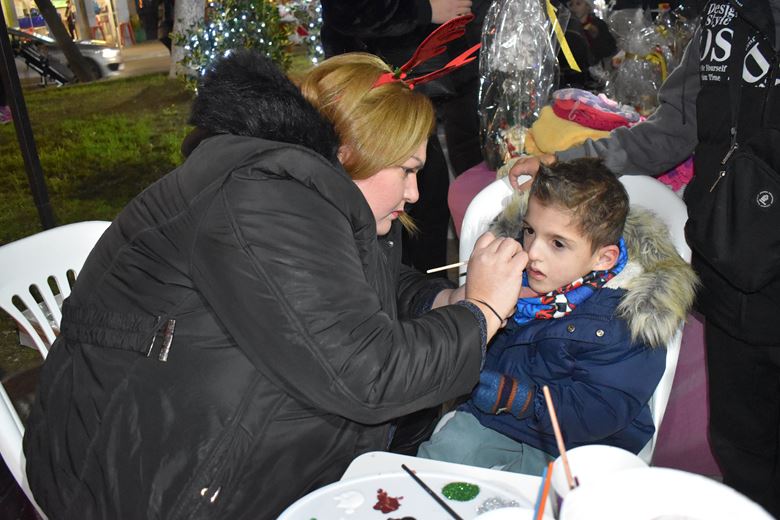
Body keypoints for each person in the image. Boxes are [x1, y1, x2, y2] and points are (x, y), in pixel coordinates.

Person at [22, 49, 527, 519]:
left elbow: (353, 287)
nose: (414, 193)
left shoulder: (311, 191)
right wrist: (480, 313)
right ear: (352, 151)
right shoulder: (266, 196)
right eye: (406, 170)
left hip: (188, 451)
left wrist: (442, 299)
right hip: (139, 483)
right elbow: (367, 376)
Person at [507, 1, 780, 515]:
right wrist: (568, 161)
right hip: (728, 269)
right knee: (742, 447)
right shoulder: (722, 15)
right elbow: (673, 128)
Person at [419, 158, 696, 473]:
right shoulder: (516, 279)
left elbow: (601, 410)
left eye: (558, 244)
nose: (533, 252)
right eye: (529, 231)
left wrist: (520, 398)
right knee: (434, 465)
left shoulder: (629, 318)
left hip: (580, 444)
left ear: (604, 258)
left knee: (535, 497)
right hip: (496, 417)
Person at [321, 0, 489, 276]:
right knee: (403, 200)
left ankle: (423, 286)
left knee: (427, 195)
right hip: (375, 91)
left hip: (440, 79)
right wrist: (424, 10)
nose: (412, 190)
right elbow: (346, 11)